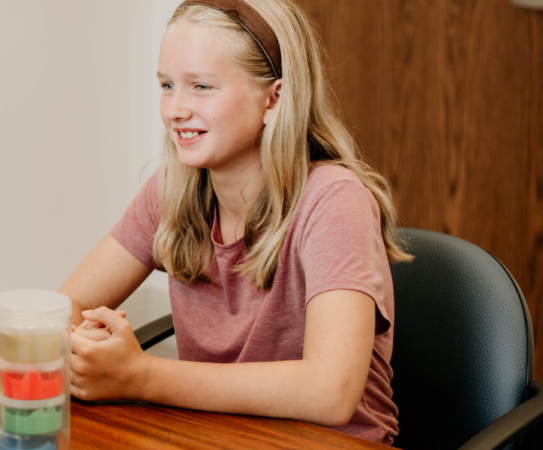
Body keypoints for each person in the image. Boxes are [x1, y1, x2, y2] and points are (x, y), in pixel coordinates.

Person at [60, 0, 411, 444]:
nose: (175, 110)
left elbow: (332, 393)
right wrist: (91, 354)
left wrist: (140, 376)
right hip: (216, 436)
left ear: (274, 98)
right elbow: (66, 305)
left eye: (201, 86)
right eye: (167, 85)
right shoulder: (174, 187)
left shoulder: (334, 200)